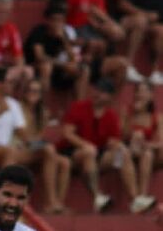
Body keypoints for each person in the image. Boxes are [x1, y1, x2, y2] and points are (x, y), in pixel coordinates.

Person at [0, 67, 69, 213]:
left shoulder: (13, 104)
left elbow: (24, 136)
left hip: (7, 150)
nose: (12, 85)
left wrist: (41, 142)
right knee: (10, 151)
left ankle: (52, 203)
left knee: (48, 151)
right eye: (9, 82)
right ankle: (5, 201)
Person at [58, 78, 156, 213]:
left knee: (122, 153)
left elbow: (113, 140)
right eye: (97, 90)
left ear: (109, 96)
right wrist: (85, 145)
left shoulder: (111, 115)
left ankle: (135, 199)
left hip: (98, 156)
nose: (97, 94)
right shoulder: (79, 107)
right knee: (88, 152)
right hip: (73, 153)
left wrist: (120, 146)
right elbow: (67, 133)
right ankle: (97, 196)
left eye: (102, 92)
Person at [24, 2, 88, 97]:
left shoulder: (62, 34)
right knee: (46, 67)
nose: (57, 24)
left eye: (60, 21)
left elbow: (73, 58)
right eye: (54, 20)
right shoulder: (39, 32)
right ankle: (42, 105)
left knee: (83, 70)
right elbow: (40, 57)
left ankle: (80, 107)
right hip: (35, 67)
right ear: (48, 20)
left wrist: (63, 39)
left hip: (55, 68)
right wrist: (63, 65)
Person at [122, 0, 163, 86]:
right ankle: (128, 65)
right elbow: (124, 4)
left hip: (153, 21)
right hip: (130, 19)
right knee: (141, 21)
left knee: (161, 31)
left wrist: (156, 16)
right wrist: (143, 14)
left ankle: (155, 72)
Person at [123, 81, 162, 199]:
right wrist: (133, 115)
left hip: (145, 152)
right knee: (124, 151)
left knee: (148, 154)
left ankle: (142, 196)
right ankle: (135, 198)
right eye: (138, 91)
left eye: (144, 91)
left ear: (151, 95)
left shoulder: (157, 116)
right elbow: (121, 136)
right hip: (125, 152)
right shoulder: (126, 111)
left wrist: (146, 145)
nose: (140, 94)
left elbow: (161, 142)